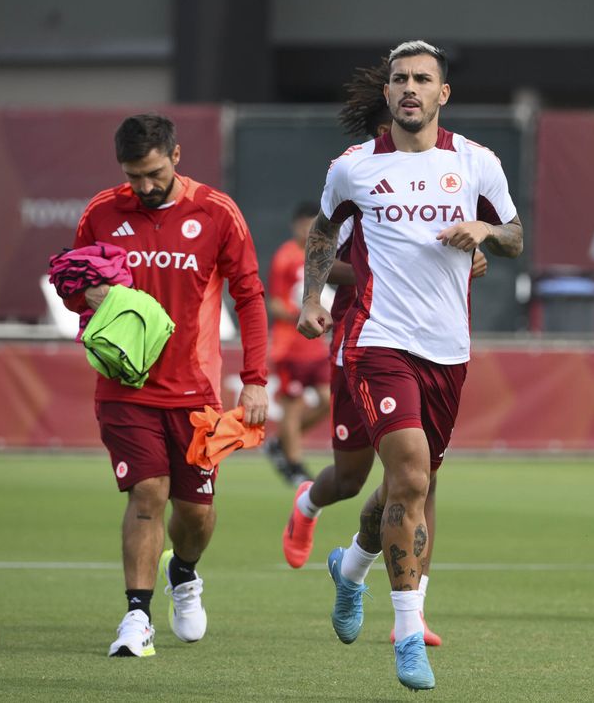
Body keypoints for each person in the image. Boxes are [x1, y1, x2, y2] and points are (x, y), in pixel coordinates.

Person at [297, 41, 523, 691]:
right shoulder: (355, 167)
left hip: (448, 351)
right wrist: (313, 297)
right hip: (378, 342)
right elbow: (323, 232)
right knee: (412, 478)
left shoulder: (477, 162)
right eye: (400, 79)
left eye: (423, 79)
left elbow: (514, 235)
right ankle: (406, 635)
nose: (410, 89)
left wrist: (484, 234)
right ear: (389, 92)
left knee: (405, 490)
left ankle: (351, 572)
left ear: (442, 93)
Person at [68, 113, 269, 657]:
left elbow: (249, 297)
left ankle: (183, 571)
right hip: (124, 388)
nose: (145, 186)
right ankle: (136, 617)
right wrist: (83, 300)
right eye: (135, 177)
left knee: (196, 512)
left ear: (176, 156)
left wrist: (255, 380)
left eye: (154, 173)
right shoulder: (102, 211)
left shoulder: (217, 211)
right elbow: (73, 282)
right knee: (147, 493)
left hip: (196, 393)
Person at [264, 201, 332, 485]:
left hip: (315, 348)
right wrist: (302, 315)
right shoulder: (286, 257)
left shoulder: (322, 255)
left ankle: (280, 443)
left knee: (330, 401)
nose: (309, 230)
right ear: (296, 225)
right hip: (290, 347)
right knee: (292, 407)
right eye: (305, 224)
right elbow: (275, 303)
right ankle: (294, 467)